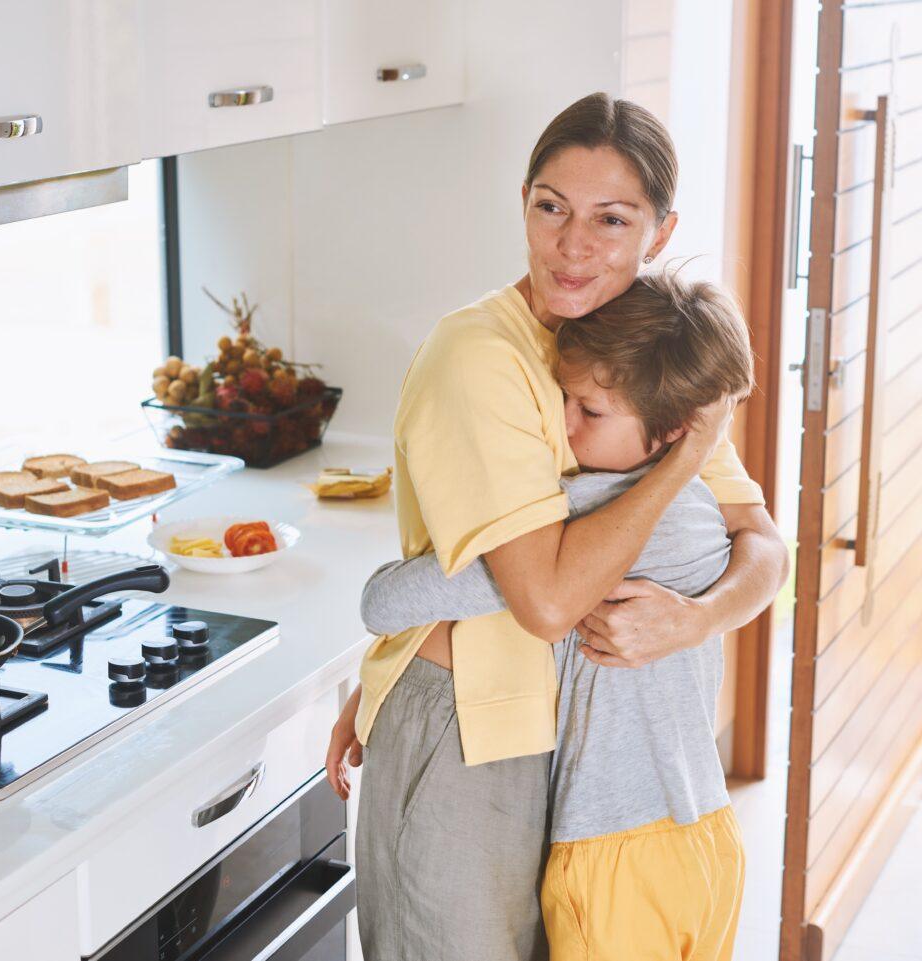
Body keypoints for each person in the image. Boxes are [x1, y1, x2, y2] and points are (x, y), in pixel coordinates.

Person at [324, 92, 790, 961]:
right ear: (526, 204)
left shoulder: (641, 347)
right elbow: (541, 600)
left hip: (572, 747)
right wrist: (686, 461)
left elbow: (763, 541)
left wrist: (696, 618)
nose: (573, 245)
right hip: (471, 732)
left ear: (659, 230)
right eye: (551, 207)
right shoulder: (481, 357)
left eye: (611, 219)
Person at [360, 272, 755, 960]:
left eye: (587, 410)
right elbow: (769, 547)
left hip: (612, 854)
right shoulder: (697, 511)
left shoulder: (591, 523)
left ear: (668, 432)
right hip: (708, 836)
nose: (563, 427)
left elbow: (384, 602)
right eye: (562, 400)